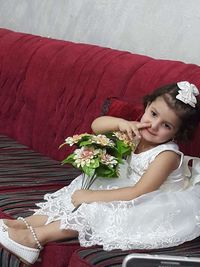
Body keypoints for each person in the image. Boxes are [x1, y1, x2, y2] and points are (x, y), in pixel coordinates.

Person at [0, 81, 200, 265]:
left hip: (152, 201)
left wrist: (92, 197)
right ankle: (22, 225)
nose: (154, 126)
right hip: (128, 186)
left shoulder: (167, 155)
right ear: (147, 106)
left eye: (166, 125)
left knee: (95, 208)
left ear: (177, 133)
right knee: (78, 189)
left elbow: (139, 192)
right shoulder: (135, 130)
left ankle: (34, 239)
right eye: (154, 114)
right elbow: (97, 125)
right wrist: (121, 124)